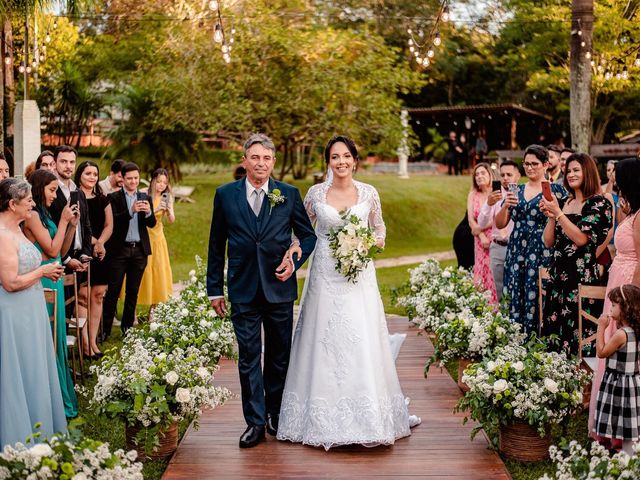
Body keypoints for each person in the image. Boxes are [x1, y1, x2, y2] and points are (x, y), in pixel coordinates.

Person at [277, 135, 419, 450]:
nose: (340, 162)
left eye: (345, 156)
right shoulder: (315, 193)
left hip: (359, 278)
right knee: (323, 338)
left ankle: (369, 418)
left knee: (360, 337)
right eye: (334, 157)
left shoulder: (369, 192)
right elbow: (301, 230)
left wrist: (367, 244)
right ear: (328, 162)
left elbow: (380, 230)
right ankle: (317, 418)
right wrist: (294, 249)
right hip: (325, 275)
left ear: (354, 159)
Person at [207, 133, 316, 448]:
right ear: (244, 161)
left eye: (267, 158)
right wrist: (215, 288)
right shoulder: (225, 195)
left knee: (280, 356)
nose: (261, 163)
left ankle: (274, 413)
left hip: (279, 287)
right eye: (255, 157)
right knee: (249, 357)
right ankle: (254, 422)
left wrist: (295, 258)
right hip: (242, 288)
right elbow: (216, 245)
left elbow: (307, 237)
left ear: (273, 162)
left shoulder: (288, 193)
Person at [0, 179, 67, 448]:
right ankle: (17, 439)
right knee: (17, 370)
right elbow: (10, 282)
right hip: (13, 314)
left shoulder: (17, 229)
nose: (32, 203)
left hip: (31, 311)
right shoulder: (2, 236)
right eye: (27, 199)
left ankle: (39, 432)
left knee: (34, 367)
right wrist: (43, 271)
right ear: (11, 203)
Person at [588, 157, 640, 442]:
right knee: (613, 344)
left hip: (628, 286)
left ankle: (621, 431)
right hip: (618, 278)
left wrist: (629, 300)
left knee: (622, 343)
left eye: (620, 179)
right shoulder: (633, 213)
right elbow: (622, 240)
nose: (615, 183)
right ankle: (609, 422)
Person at [540, 153, 612, 355]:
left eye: (576, 170)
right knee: (554, 337)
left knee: (578, 337)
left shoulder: (599, 203)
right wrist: (552, 216)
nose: (570, 174)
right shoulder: (563, 201)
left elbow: (581, 239)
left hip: (580, 279)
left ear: (587, 171)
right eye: (568, 170)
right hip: (558, 278)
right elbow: (548, 241)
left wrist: (559, 214)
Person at [23, 170, 79, 419]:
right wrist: (65, 222)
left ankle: (60, 399)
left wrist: (71, 227)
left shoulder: (44, 214)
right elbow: (51, 248)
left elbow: (60, 251)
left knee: (57, 339)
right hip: (43, 280)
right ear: (38, 189)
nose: (55, 195)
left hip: (53, 275)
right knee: (48, 340)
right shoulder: (33, 215)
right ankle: (50, 402)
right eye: (52, 190)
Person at [496, 145, 565, 334]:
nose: (530, 167)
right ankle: (513, 341)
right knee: (514, 294)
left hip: (542, 250)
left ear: (545, 164)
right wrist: (505, 207)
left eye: (534, 163)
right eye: (526, 164)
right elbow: (500, 224)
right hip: (516, 251)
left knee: (538, 296)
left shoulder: (557, 191)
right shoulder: (516, 190)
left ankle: (537, 343)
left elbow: (564, 223)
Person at [102, 162, 156, 338]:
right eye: (129, 178)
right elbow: (114, 223)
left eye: (136, 178)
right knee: (113, 291)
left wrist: (148, 213)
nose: (133, 181)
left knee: (132, 291)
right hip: (119, 251)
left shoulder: (145, 197)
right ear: (122, 179)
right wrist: (131, 211)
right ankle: (105, 330)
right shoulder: (114, 198)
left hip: (139, 251)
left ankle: (127, 330)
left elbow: (152, 223)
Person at [593, 284, 640, 455]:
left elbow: (601, 352)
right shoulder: (635, 330)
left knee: (616, 415)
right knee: (627, 419)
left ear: (625, 308)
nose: (610, 308)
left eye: (614, 305)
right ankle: (627, 454)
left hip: (618, 383)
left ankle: (619, 454)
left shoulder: (621, 334)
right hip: (632, 382)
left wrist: (601, 327)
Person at [75, 161, 112, 358]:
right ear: (80, 174)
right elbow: (79, 227)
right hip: (82, 249)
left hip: (101, 252)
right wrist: (94, 242)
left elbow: (109, 225)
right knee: (83, 295)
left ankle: (93, 341)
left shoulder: (103, 199)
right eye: (88, 173)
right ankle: (85, 345)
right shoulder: (74, 197)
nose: (92, 177)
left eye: (95, 174)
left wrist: (101, 243)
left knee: (98, 294)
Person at [477, 160, 521, 302]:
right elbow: (481, 223)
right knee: (499, 288)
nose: (505, 178)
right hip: (497, 246)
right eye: (502, 175)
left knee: (517, 286)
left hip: (517, 246)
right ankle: (503, 318)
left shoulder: (523, 195)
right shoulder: (494, 196)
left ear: (518, 176)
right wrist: (489, 204)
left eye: (509, 174)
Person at [48, 145, 92, 276]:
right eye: (63, 161)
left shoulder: (79, 192)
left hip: (80, 260)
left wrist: (85, 254)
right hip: (58, 261)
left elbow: (86, 226)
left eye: (72, 162)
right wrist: (66, 259)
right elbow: (50, 229)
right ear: (54, 164)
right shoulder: (50, 191)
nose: (68, 166)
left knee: (83, 297)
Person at [137, 168, 175, 312]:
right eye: (159, 181)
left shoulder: (166, 196)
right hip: (143, 234)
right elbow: (140, 215)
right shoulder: (143, 193)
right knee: (140, 271)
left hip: (158, 238)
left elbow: (171, 220)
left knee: (158, 272)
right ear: (152, 180)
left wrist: (169, 211)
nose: (161, 185)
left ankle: (153, 309)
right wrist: (157, 207)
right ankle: (132, 310)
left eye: (164, 183)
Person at [467, 162, 497, 302]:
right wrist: (481, 235)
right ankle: (482, 306)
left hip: (495, 236)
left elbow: (499, 217)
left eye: (483, 173)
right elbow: (471, 220)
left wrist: (480, 228)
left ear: (490, 175)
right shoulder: (473, 195)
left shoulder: (496, 193)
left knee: (493, 271)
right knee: (481, 272)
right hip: (479, 240)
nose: (479, 176)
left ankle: (496, 307)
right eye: (477, 174)